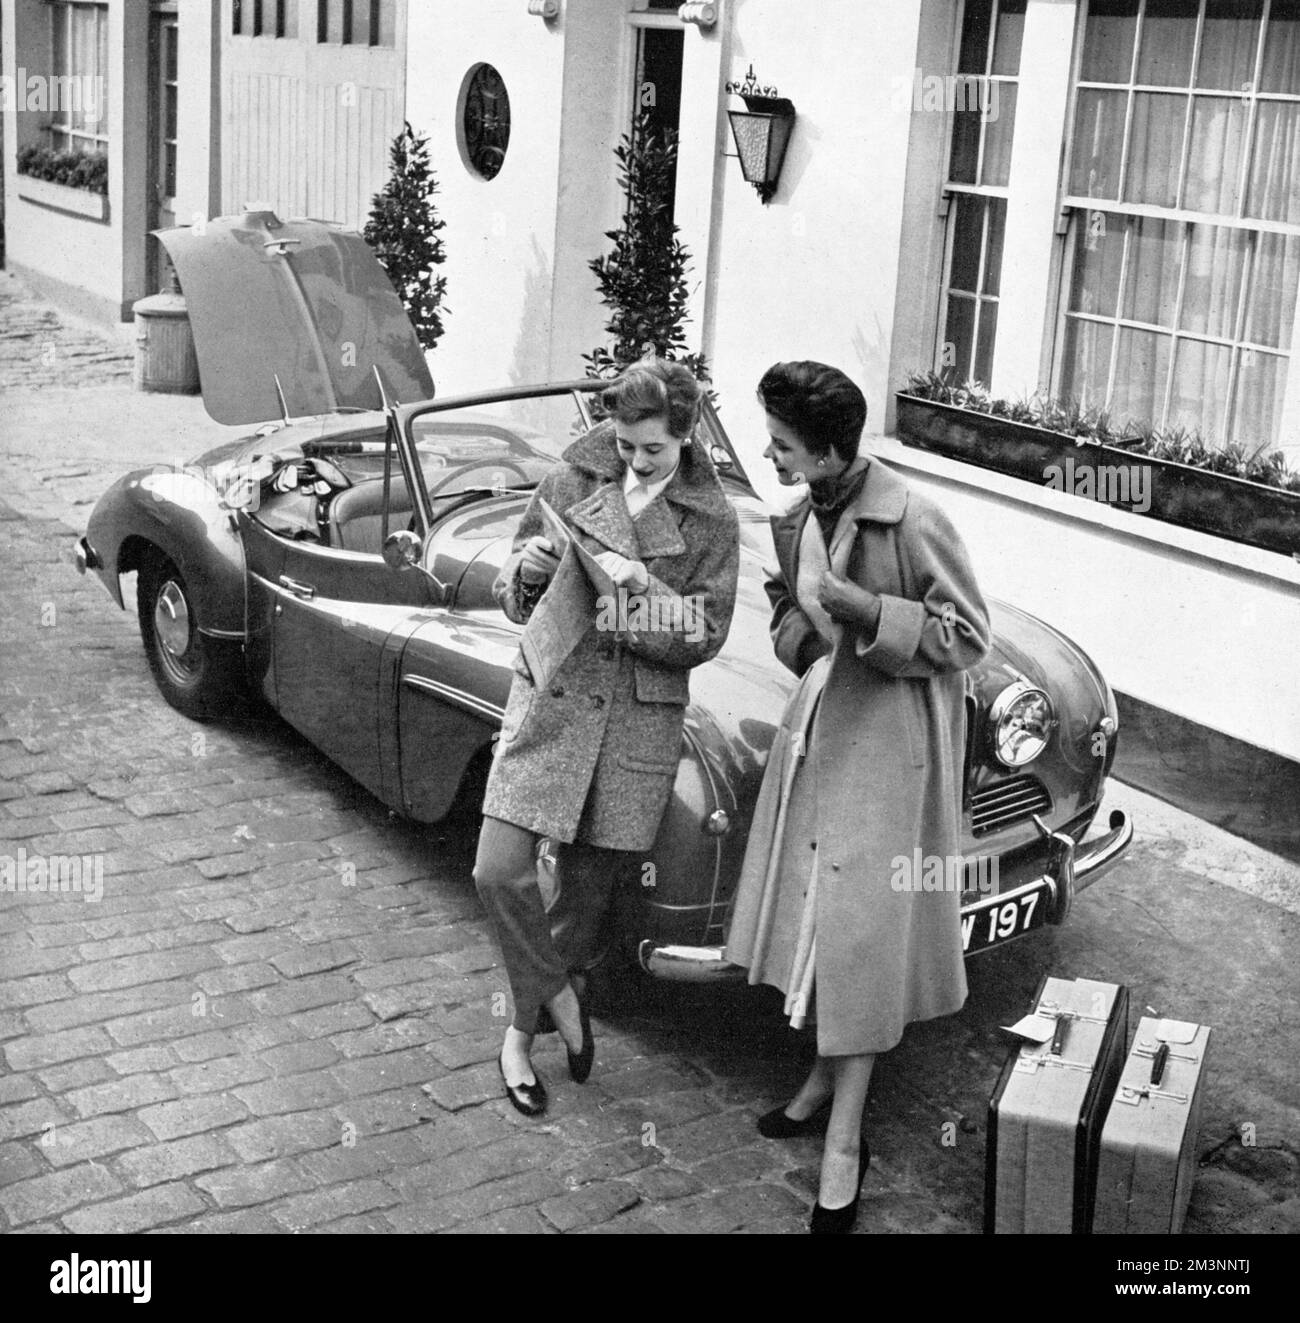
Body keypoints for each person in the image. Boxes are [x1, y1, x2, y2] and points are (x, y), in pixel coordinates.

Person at [725, 361, 991, 1233]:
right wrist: (809, 640)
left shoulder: (914, 516)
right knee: (816, 926)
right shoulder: (800, 509)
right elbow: (783, 600)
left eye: (785, 444)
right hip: (819, 736)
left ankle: (845, 1140)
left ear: (835, 448)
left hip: (890, 752)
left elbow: (967, 635)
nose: (771, 455)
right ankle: (815, 1080)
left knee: (863, 942)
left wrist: (870, 610)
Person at [476, 357, 740, 1117]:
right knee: (499, 871)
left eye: (651, 449)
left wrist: (632, 588)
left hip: (632, 724)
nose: (634, 459)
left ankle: (518, 1042)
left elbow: (702, 632)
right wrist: (527, 568)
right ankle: (559, 995)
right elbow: (513, 598)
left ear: (686, 436)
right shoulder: (577, 471)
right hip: (552, 700)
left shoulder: (710, 517)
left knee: (579, 909)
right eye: (625, 444)